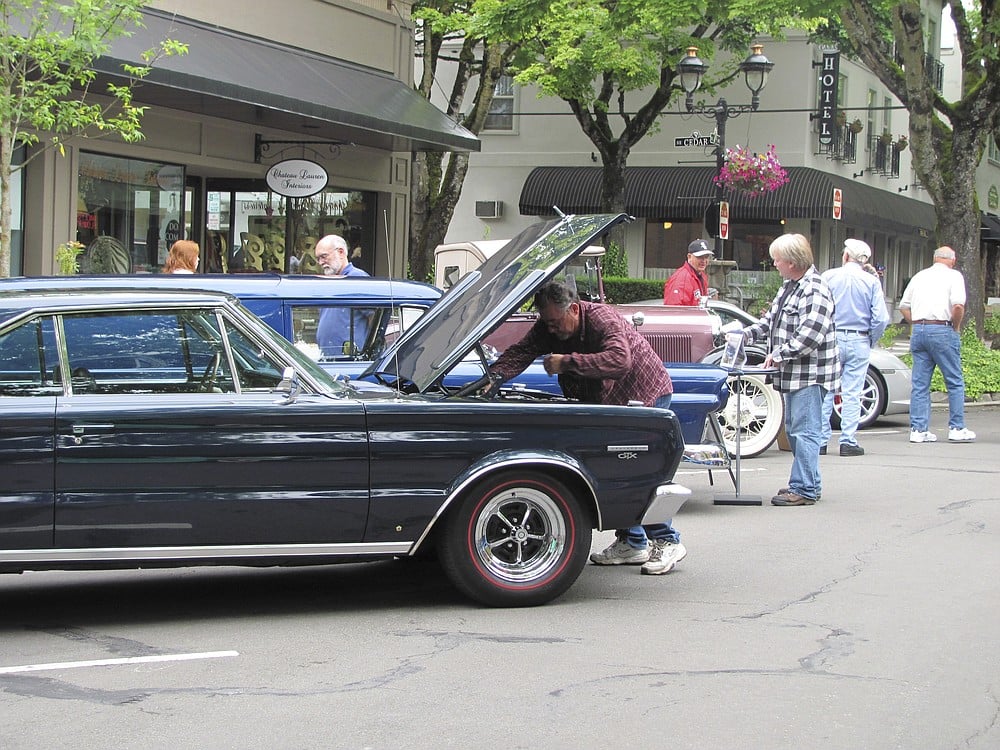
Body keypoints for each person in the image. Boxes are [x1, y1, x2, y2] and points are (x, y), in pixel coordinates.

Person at [489, 280, 685, 575]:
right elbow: (522, 351)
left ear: (575, 309)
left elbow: (620, 361)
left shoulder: (602, 319)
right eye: (547, 323)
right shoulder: (549, 325)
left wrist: (566, 362)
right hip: (609, 403)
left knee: (638, 469)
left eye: (555, 322)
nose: (551, 330)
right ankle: (632, 542)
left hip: (644, 394)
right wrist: (492, 378)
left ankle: (667, 540)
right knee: (614, 467)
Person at [741, 234, 839, 506]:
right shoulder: (790, 286)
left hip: (810, 373)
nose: (774, 263)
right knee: (797, 429)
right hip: (796, 372)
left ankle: (804, 488)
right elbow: (769, 321)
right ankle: (808, 483)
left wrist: (778, 355)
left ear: (793, 262)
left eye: (778, 259)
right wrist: (744, 335)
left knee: (804, 430)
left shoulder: (815, 288)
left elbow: (812, 333)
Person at [819, 239, 890, 456]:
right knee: (852, 392)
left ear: (846, 256)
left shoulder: (828, 277)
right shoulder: (871, 282)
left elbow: (819, 309)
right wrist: (870, 338)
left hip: (832, 337)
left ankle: (821, 440)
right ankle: (848, 441)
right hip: (859, 338)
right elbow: (880, 318)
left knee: (826, 389)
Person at [898, 246, 975, 443]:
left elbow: (903, 306)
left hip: (920, 330)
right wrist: (955, 327)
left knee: (920, 384)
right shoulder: (954, 276)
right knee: (954, 381)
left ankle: (918, 429)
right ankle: (957, 427)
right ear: (952, 260)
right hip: (943, 328)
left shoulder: (919, 276)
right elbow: (958, 305)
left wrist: (916, 323)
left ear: (934, 258)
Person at [314, 234, 371, 357]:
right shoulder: (328, 283)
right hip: (328, 360)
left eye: (324, 256)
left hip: (349, 361)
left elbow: (375, 317)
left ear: (340, 252)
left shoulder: (357, 279)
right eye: (318, 258)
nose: (320, 262)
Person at [663, 239, 714, 306]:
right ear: (689, 257)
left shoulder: (701, 275)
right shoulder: (682, 278)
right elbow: (673, 310)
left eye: (706, 257)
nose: (704, 260)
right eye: (700, 257)